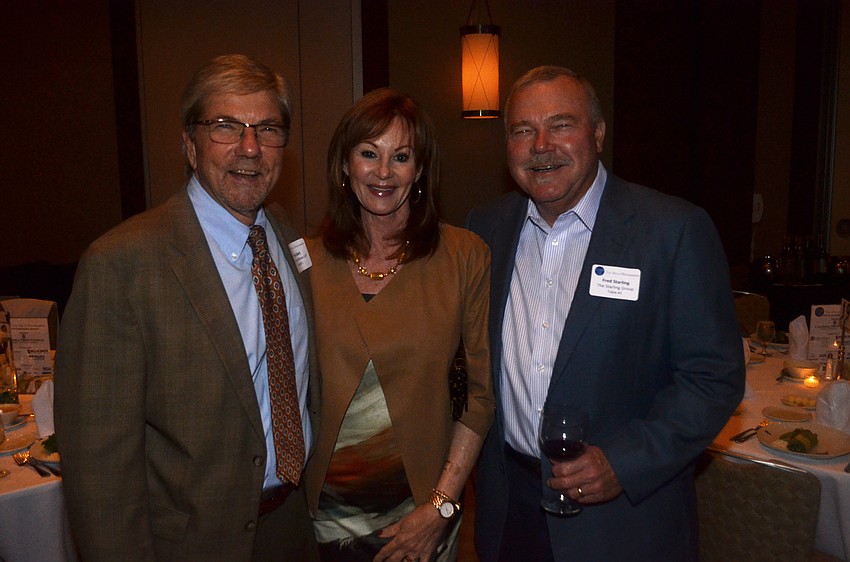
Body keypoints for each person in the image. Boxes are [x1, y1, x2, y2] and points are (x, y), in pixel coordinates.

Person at [466, 66, 745, 561]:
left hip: (623, 526)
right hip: (509, 511)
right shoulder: (484, 229)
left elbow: (714, 377)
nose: (541, 144)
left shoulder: (671, 230)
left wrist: (624, 462)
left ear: (597, 133)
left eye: (562, 124)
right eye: (523, 130)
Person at [55, 54, 319, 561]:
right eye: (225, 126)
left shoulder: (283, 233)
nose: (249, 147)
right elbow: (99, 476)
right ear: (189, 145)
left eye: (267, 128)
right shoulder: (121, 264)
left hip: (293, 529)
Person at [304, 88, 494, 562]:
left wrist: (441, 506)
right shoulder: (304, 261)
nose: (384, 172)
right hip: (319, 520)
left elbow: (481, 396)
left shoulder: (464, 256)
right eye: (369, 153)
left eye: (401, 156)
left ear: (421, 169)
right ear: (345, 165)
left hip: (421, 516)